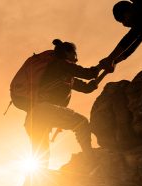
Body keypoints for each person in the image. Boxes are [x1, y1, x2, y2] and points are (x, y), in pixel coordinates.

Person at [25, 39, 112, 168]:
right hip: (45, 111)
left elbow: (87, 88)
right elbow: (89, 74)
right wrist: (103, 65)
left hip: (33, 118)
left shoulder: (63, 75)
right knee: (81, 123)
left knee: (41, 155)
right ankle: (90, 160)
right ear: (67, 53)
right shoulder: (61, 65)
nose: (76, 59)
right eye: (74, 55)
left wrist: (101, 76)